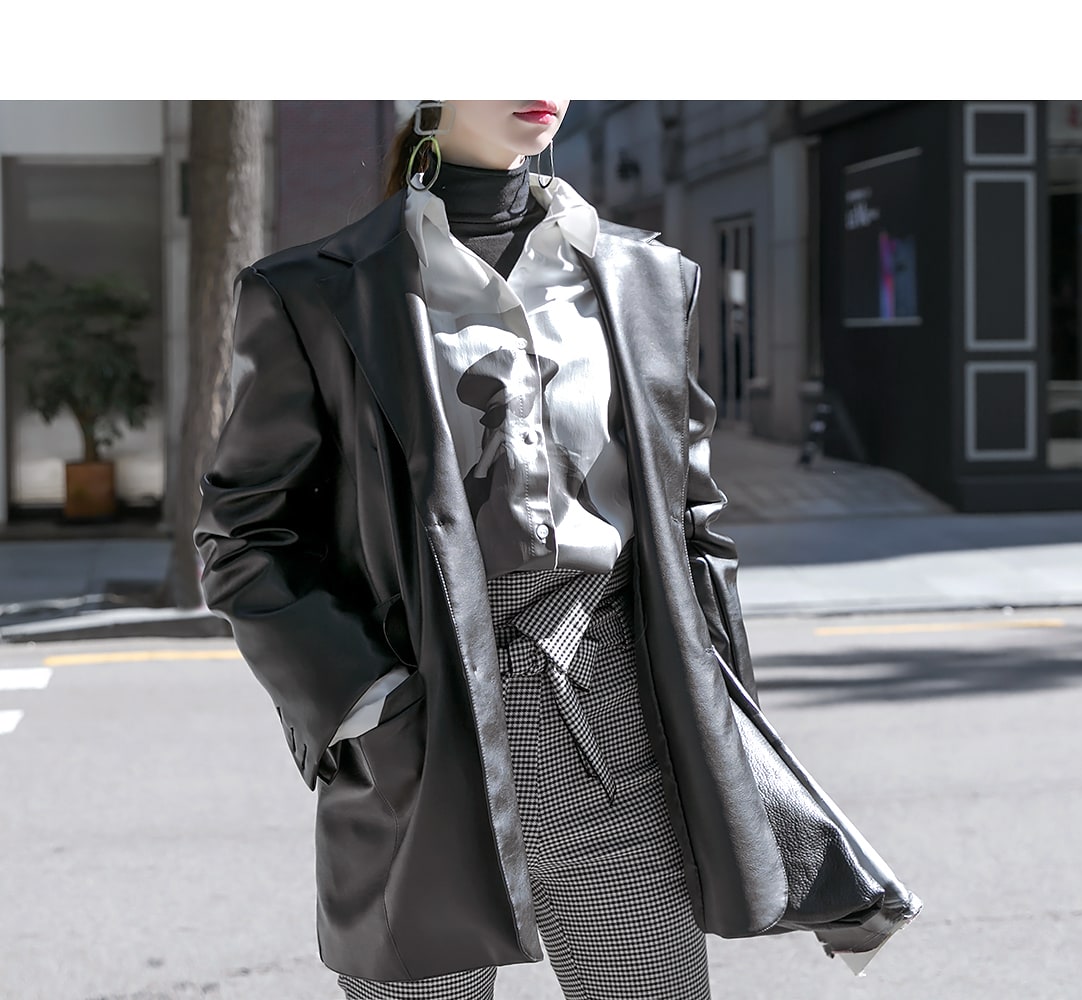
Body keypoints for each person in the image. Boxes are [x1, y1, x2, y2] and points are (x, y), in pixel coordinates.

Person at [194, 100, 789, 1000]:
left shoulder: (648, 277)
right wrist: (366, 706)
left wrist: (731, 735)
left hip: (618, 732)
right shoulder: (311, 292)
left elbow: (691, 523)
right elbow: (244, 534)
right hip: (420, 743)